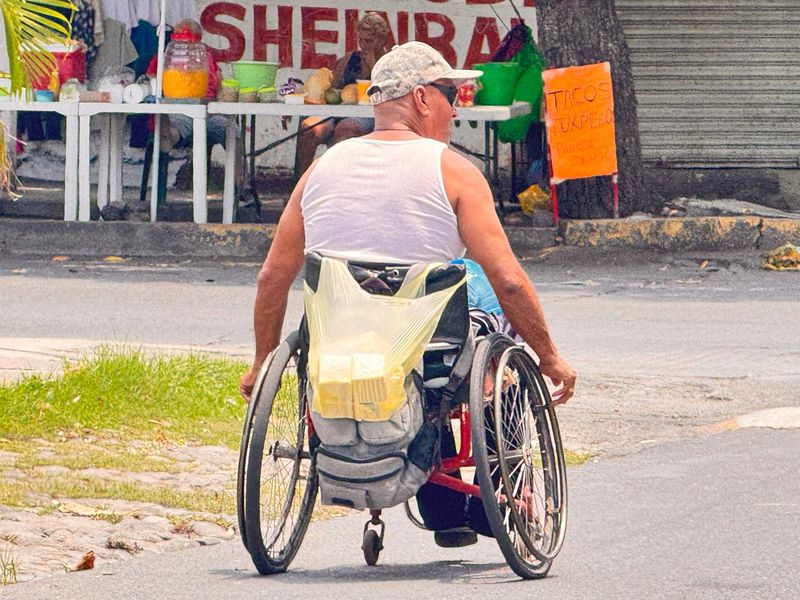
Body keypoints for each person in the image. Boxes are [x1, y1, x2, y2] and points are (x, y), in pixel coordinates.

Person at [240, 41, 577, 547]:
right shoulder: (455, 171)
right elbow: (510, 280)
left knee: (447, 312)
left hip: (341, 346)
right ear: (422, 99)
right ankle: (494, 491)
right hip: (433, 353)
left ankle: (446, 505)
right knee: (485, 307)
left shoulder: (320, 171)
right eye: (450, 92)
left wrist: (264, 361)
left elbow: (273, 278)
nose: (457, 105)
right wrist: (550, 357)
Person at [294, 13, 391, 176]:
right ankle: (299, 187)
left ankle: (335, 184)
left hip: (370, 114)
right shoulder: (350, 58)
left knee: (346, 129)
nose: (364, 45)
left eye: (369, 41)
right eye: (361, 40)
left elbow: (390, 93)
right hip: (338, 110)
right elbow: (332, 90)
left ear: (382, 40)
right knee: (309, 129)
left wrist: (373, 66)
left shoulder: (390, 61)